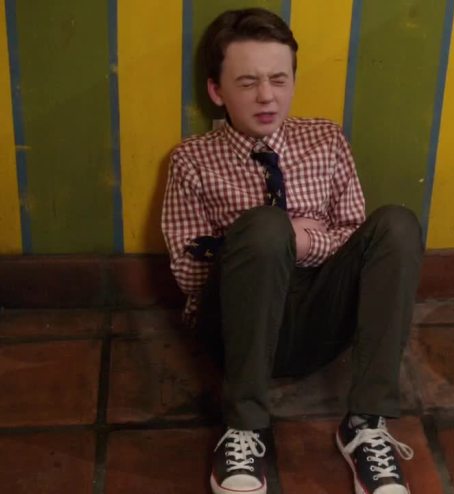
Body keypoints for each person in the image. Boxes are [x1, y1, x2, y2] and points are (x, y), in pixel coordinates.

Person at [161, 8, 423, 494]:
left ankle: (366, 425)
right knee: (265, 226)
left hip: (317, 318)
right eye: (247, 82)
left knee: (397, 225)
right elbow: (189, 272)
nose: (267, 96)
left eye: (279, 80)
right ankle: (245, 427)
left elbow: (353, 234)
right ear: (216, 91)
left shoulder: (325, 140)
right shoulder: (191, 160)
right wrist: (265, 240)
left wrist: (303, 242)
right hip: (237, 328)